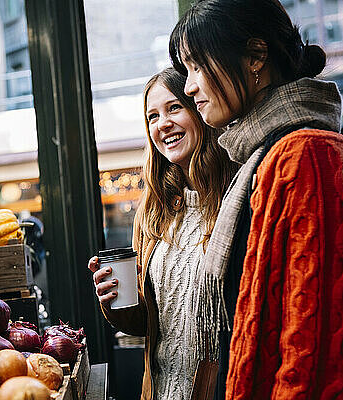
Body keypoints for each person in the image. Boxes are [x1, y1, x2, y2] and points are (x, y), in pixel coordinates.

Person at [169, 0, 343, 399]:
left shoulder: (306, 154)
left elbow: (313, 351)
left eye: (196, 66)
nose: (189, 87)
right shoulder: (258, 159)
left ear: (256, 56)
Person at [88, 67, 235, 400]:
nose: (162, 123)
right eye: (152, 116)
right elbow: (149, 324)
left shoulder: (235, 199)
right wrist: (114, 301)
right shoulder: (153, 213)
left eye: (174, 108)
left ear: (199, 109)